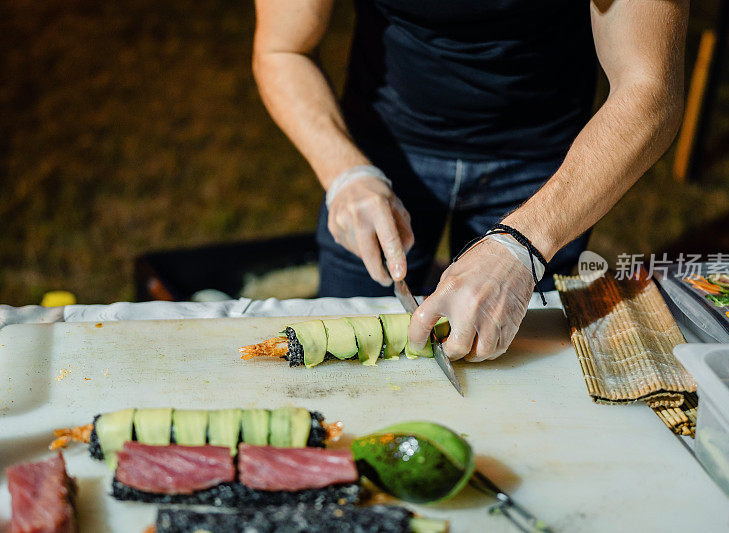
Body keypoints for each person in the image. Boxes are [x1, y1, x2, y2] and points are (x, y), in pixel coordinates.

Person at [252, 0, 688, 363]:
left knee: (517, 364)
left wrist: (523, 244)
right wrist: (345, 171)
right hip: (383, 150)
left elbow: (649, 87)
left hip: (543, 169)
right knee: (337, 353)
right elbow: (282, 49)